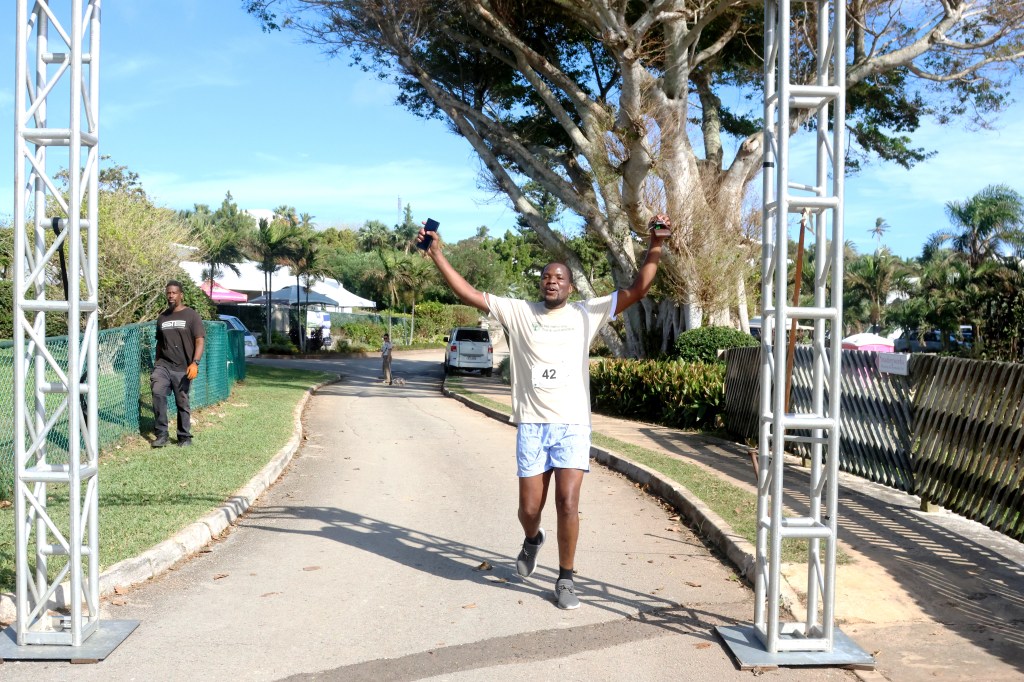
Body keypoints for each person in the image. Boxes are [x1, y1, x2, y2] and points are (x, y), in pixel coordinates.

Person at [417, 214, 671, 609]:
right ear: (541, 284)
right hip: (533, 426)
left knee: (567, 502)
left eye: (559, 277)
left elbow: (638, 289)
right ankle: (533, 539)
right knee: (529, 510)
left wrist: (656, 244)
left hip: (572, 425)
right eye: (546, 277)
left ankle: (566, 578)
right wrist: (436, 254)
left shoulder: (586, 313)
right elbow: (468, 293)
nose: (552, 281)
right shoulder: (520, 312)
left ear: (570, 287)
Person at [151, 280, 205, 448]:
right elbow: (160, 343)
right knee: (157, 392)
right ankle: (162, 434)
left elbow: (199, 340)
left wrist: (195, 363)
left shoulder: (191, 315)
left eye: (174, 293)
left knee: (182, 401)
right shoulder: (162, 317)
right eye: (168, 293)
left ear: (181, 295)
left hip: (184, 367)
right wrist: (156, 363)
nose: (171, 296)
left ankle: (184, 436)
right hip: (163, 365)